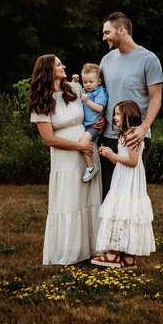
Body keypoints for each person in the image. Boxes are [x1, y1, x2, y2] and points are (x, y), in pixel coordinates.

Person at [29, 54, 102, 265]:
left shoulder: (75, 89)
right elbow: (49, 139)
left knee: (89, 200)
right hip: (67, 157)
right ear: (47, 71)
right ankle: (71, 252)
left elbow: (91, 111)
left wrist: (100, 120)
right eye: (59, 64)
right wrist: (79, 145)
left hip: (88, 151)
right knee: (70, 201)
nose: (64, 66)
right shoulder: (41, 101)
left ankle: (93, 251)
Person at [98, 12, 163, 199]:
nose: (104, 38)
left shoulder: (149, 59)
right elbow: (100, 95)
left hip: (134, 138)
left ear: (121, 30)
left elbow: (156, 99)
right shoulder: (106, 60)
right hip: (108, 137)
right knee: (108, 197)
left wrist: (143, 128)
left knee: (131, 197)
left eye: (107, 32)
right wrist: (98, 118)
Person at [92, 100, 155, 269]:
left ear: (128, 115)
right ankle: (128, 259)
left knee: (121, 211)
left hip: (128, 181)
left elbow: (133, 161)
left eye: (118, 114)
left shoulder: (130, 135)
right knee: (125, 213)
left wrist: (111, 155)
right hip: (124, 177)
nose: (114, 117)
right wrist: (111, 156)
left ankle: (114, 255)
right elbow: (124, 163)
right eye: (115, 114)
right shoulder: (126, 134)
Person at [71, 63, 108, 183]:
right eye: (85, 82)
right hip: (85, 125)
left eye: (91, 82)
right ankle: (89, 165)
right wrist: (75, 82)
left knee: (84, 142)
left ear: (98, 81)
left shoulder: (100, 92)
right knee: (82, 142)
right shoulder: (84, 90)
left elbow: (99, 108)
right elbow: (74, 93)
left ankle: (91, 167)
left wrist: (87, 101)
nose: (87, 85)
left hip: (94, 126)